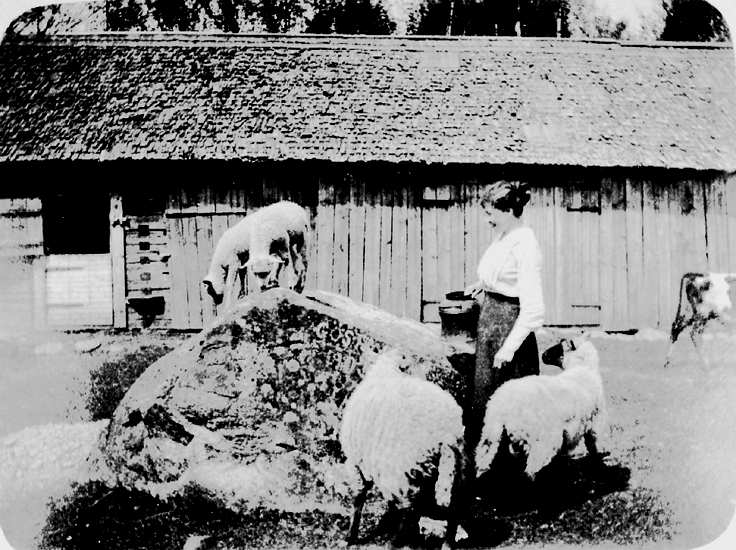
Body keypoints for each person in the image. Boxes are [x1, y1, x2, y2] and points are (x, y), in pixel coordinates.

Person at [463, 180, 545, 451]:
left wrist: (509, 348)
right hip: (490, 323)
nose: (487, 220)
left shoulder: (526, 246)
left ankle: (511, 470)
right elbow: (503, 276)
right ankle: (484, 466)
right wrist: (483, 285)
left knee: (509, 408)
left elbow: (533, 309)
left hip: (509, 332)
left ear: (508, 211)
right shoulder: (504, 238)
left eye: (490, 213)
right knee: (484, 399)